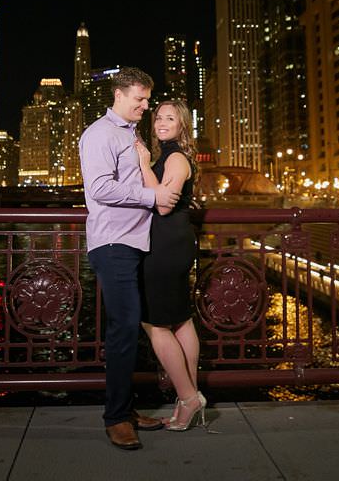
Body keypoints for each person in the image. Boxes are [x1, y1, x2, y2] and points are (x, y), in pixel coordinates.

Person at [79, 67, 180, 451]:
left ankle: (126, 408)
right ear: (119, 95)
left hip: (133, 241)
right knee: (123, 329)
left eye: (147, 98)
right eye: (139, 98)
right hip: (113, 243)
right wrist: (151, 197)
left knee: (129, 329)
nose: (145, 104)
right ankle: (116, 418)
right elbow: (101, 188)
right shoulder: (100, 134)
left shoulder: (127, 133)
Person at [134, 100, 207, 431]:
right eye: (158, 117)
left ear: (182, 126)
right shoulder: (169, 154)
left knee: (154, 324)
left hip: (165, 246)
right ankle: (187, 398)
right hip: (173, 244)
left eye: (170, 118)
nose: (162, 122)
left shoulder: (175, 157)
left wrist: (143, 164)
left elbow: (163, 206)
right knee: (180, 321)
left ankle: (189, 397)